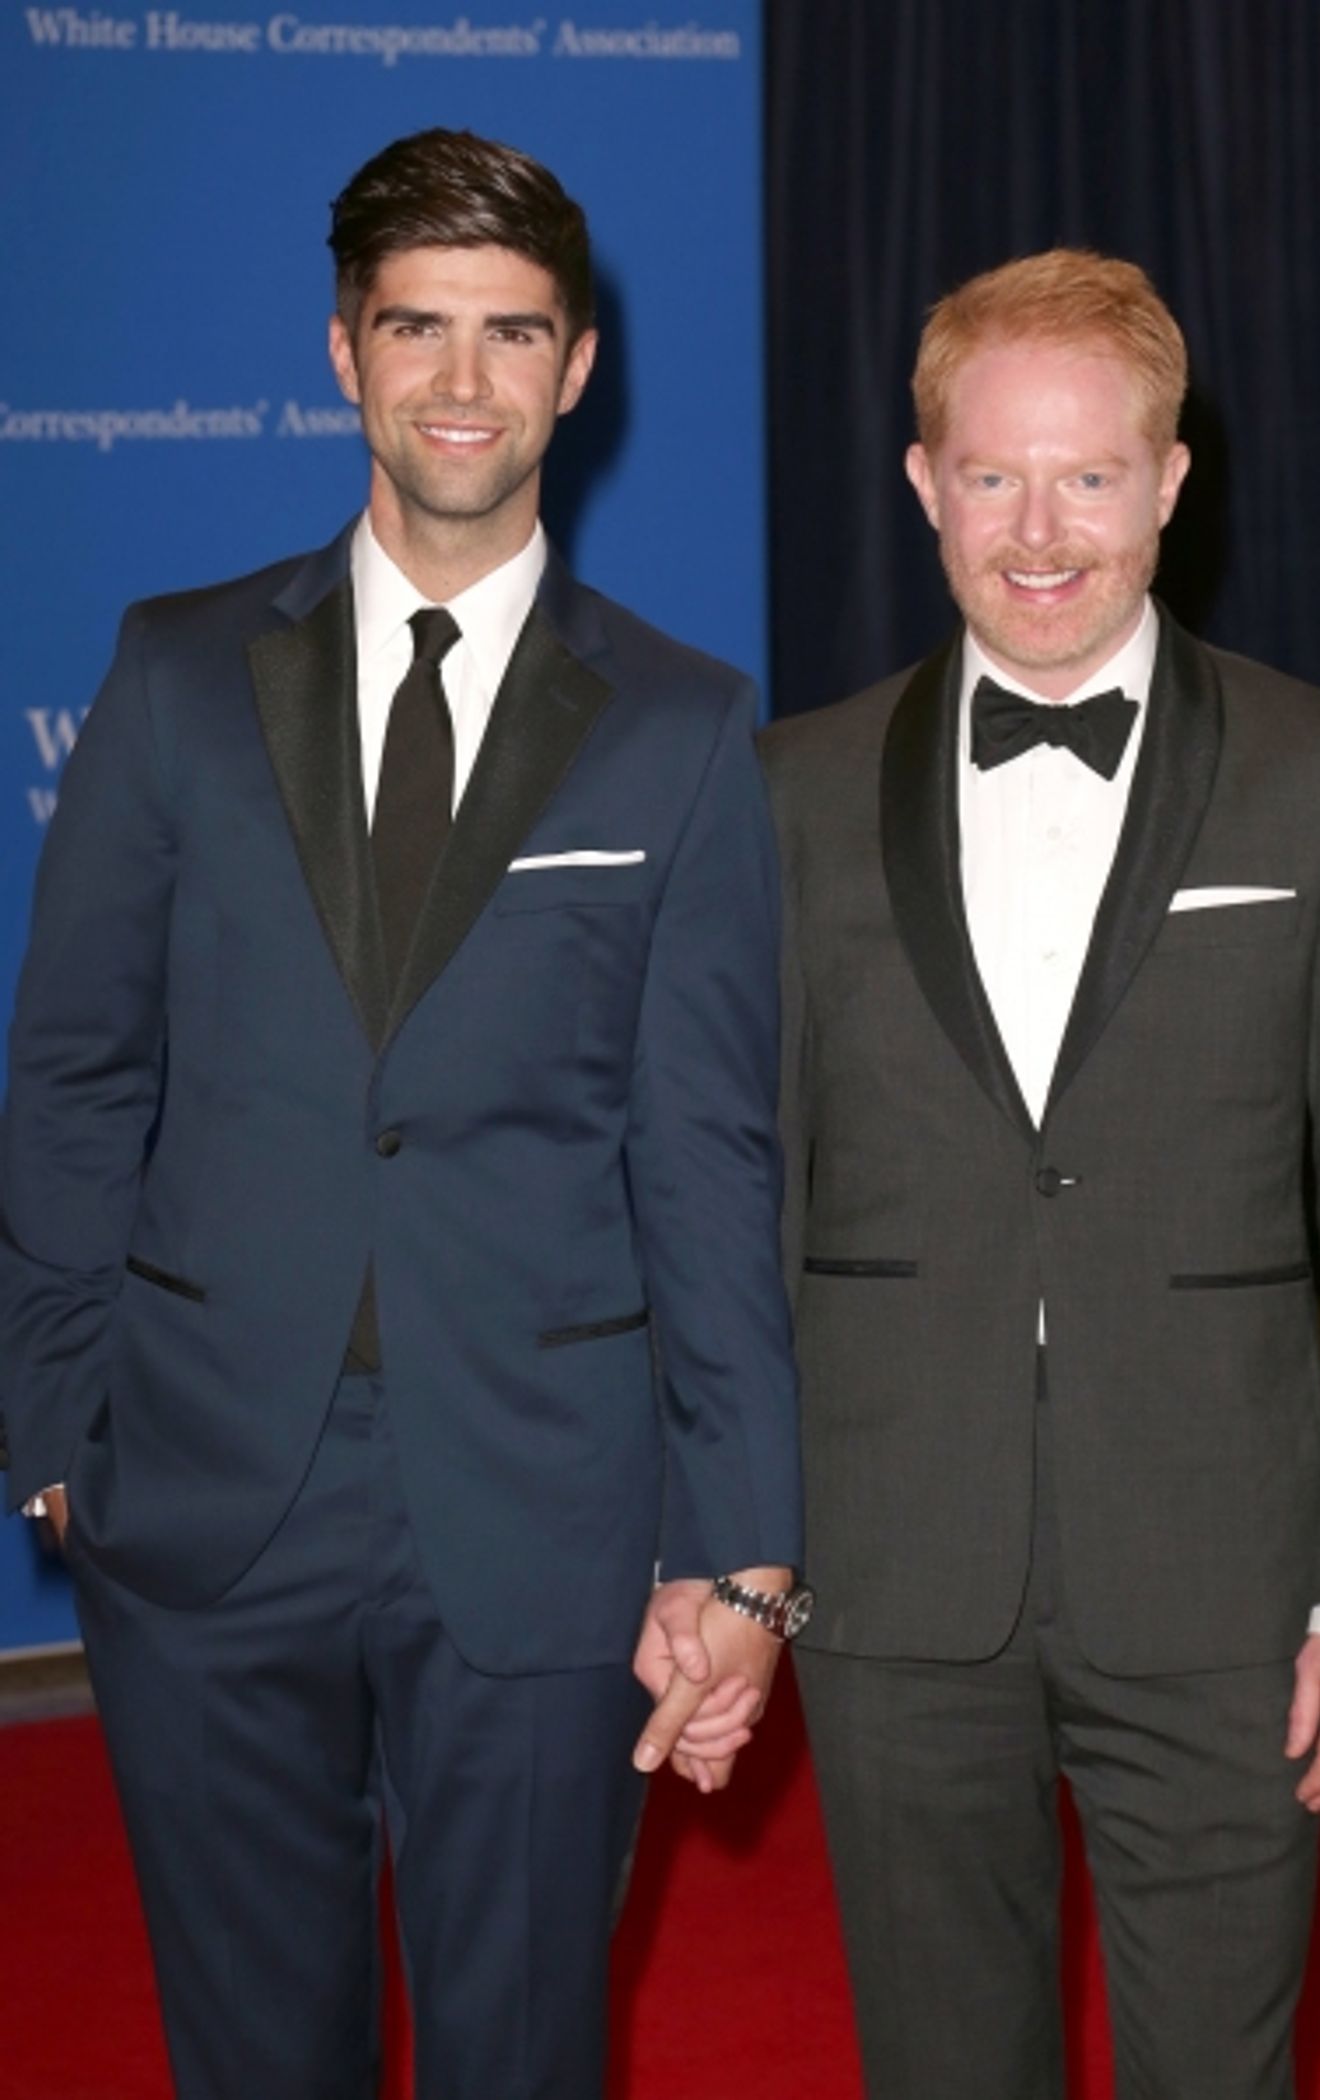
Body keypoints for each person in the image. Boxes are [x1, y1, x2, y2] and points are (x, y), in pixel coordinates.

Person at [0, 126, 805, 2100]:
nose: (463, 380)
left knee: (521, 2049)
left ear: (579, 368)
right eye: (417, 329)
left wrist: (745, 1547)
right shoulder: (178, 673)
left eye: (509, 333)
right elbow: (76, 1060)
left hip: (543, 1507)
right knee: (254, 2051)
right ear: (342, 355)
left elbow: (706, 1154)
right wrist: (56, 1417)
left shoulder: (687, 725)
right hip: (199, 1496)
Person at [760, 248, 1320, 2098]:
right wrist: (728, 1557)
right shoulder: (787, 792)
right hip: (889, 1586)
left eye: (1092, 477)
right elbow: (742, 1200)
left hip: (1228, 1585)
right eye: (993, 476)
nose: (1041, 533)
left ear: (1172, 480)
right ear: (922, 482)